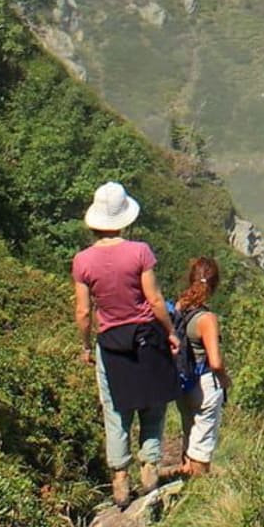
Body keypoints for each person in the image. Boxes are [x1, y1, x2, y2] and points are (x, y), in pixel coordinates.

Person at [71, 181, 181, 508]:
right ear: (125, 219)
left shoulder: (83, 261)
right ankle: (150, 466)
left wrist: (86, 346)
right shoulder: (140, 252)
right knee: (153, 402)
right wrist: (171, 331)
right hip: (147, 335)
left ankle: (120, 478)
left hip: (111, 343)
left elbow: (82, 311)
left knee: (116, 410)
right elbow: (156, 299)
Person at [172, 256, 231, 476]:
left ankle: (185, 472)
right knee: (203, 439)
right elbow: (215, 361)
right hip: (204, 383)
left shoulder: (180, 307)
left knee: (189, 430)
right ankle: (198, 486)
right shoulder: (207, 318)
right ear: (214, 285)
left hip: (182, 380)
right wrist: (225, 379)